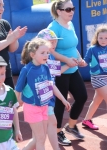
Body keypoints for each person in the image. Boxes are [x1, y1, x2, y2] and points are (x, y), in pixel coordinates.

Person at [15, 38, 70, 150]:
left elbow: (52, 85)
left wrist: (63, 99)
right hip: (32, 107)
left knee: (40, 138)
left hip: (44, 106)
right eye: (42, 53)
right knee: (40, 139)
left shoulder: (46, 67)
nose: (46, 55)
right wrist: (16, 103)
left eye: (47, 53)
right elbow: (18, 89)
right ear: (32, 54)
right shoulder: (26, 70)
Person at [47, 0, 88, 146]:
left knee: (82, 96)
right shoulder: (53, 27)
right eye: (68, 9)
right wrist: (66, 60)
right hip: (59, 71)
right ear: (59, 11)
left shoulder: (70, 23)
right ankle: (58, 132)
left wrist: (79, 59)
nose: (72, 11)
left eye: (73, 8)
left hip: (73, 68)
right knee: (60, 103)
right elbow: (50, 50)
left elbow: (73, 45)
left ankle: (71, 126)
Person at [36, 28, 70, 150]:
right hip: (41, 98)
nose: (54, 44)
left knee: (48, 126)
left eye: (55, 42)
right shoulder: (39, 61)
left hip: (49, 95)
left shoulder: (51, 58)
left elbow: (55, 74)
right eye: (52, 42)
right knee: (45, 128)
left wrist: (68, 65)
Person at [78, 25, 107, 130]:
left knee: (96, 101)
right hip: (98, 78)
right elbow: (86, 61)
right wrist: (81, 63)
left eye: (106, 38)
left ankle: (86, 120)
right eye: (101, 38)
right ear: (96, 37)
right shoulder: (92, 49)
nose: (103, 40)